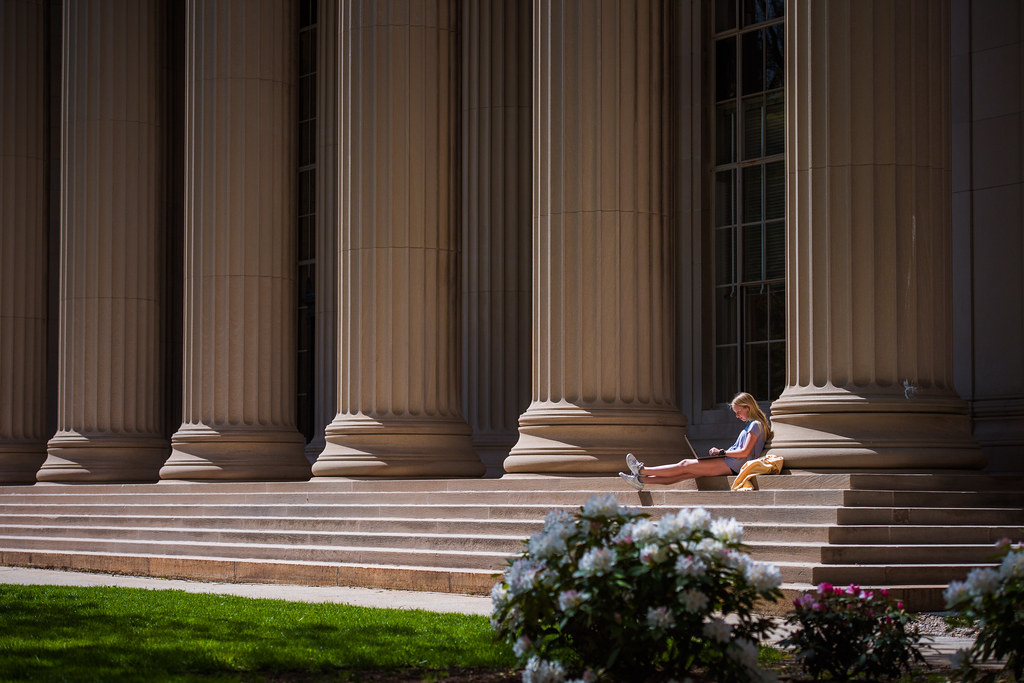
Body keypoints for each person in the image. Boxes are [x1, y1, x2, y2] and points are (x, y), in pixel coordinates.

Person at [619, 392, 772, 490]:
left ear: (748, 407)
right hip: (731, 463)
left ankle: (642, 470)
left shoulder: (755, 425)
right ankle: (640, 480)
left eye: (739, 412)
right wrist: (721, 452)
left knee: (685, 464)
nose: (737, 416)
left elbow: (745, 451)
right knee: (686, 473)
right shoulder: (755, 425)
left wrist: (723, 452)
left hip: (733, 464)